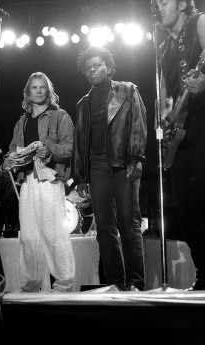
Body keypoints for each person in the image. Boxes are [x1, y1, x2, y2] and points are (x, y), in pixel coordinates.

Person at [151, 0, 205, 290]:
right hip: (180, 130)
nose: (158, 8)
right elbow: (164, 97)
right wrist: (164, 121)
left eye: (163, 2)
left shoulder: (202, 21)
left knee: (203, 193)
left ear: (181, 4)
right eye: (156, 3)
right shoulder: (162, 48)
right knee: (182, 204)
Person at [73, 46, 147, 291]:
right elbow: (80, 141)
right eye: (88, 67)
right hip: (96, 165)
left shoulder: (126, 90)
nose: (92, 70)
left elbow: (138, 123)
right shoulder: (83, 103)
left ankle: (136, 281)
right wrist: (81, 176)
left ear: (108, 67)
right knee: (104, 228)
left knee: (129, 222)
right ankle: (116, 283)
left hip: (123, 161)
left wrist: (136, 157)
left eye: (97, 65)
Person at [5, 72, 75, 293]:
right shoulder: (22, 121)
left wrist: (49, 151)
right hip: (27, 182)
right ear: (28, 92)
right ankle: (31, 286)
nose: (37, 91)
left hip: (50, 180)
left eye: (41, 87)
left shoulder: (60, 116)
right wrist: (9, 160)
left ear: (48, 91)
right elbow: (12, 149)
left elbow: (71, 147)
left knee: (54, 234)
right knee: (28, 236)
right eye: (33, 88)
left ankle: (64, 284)